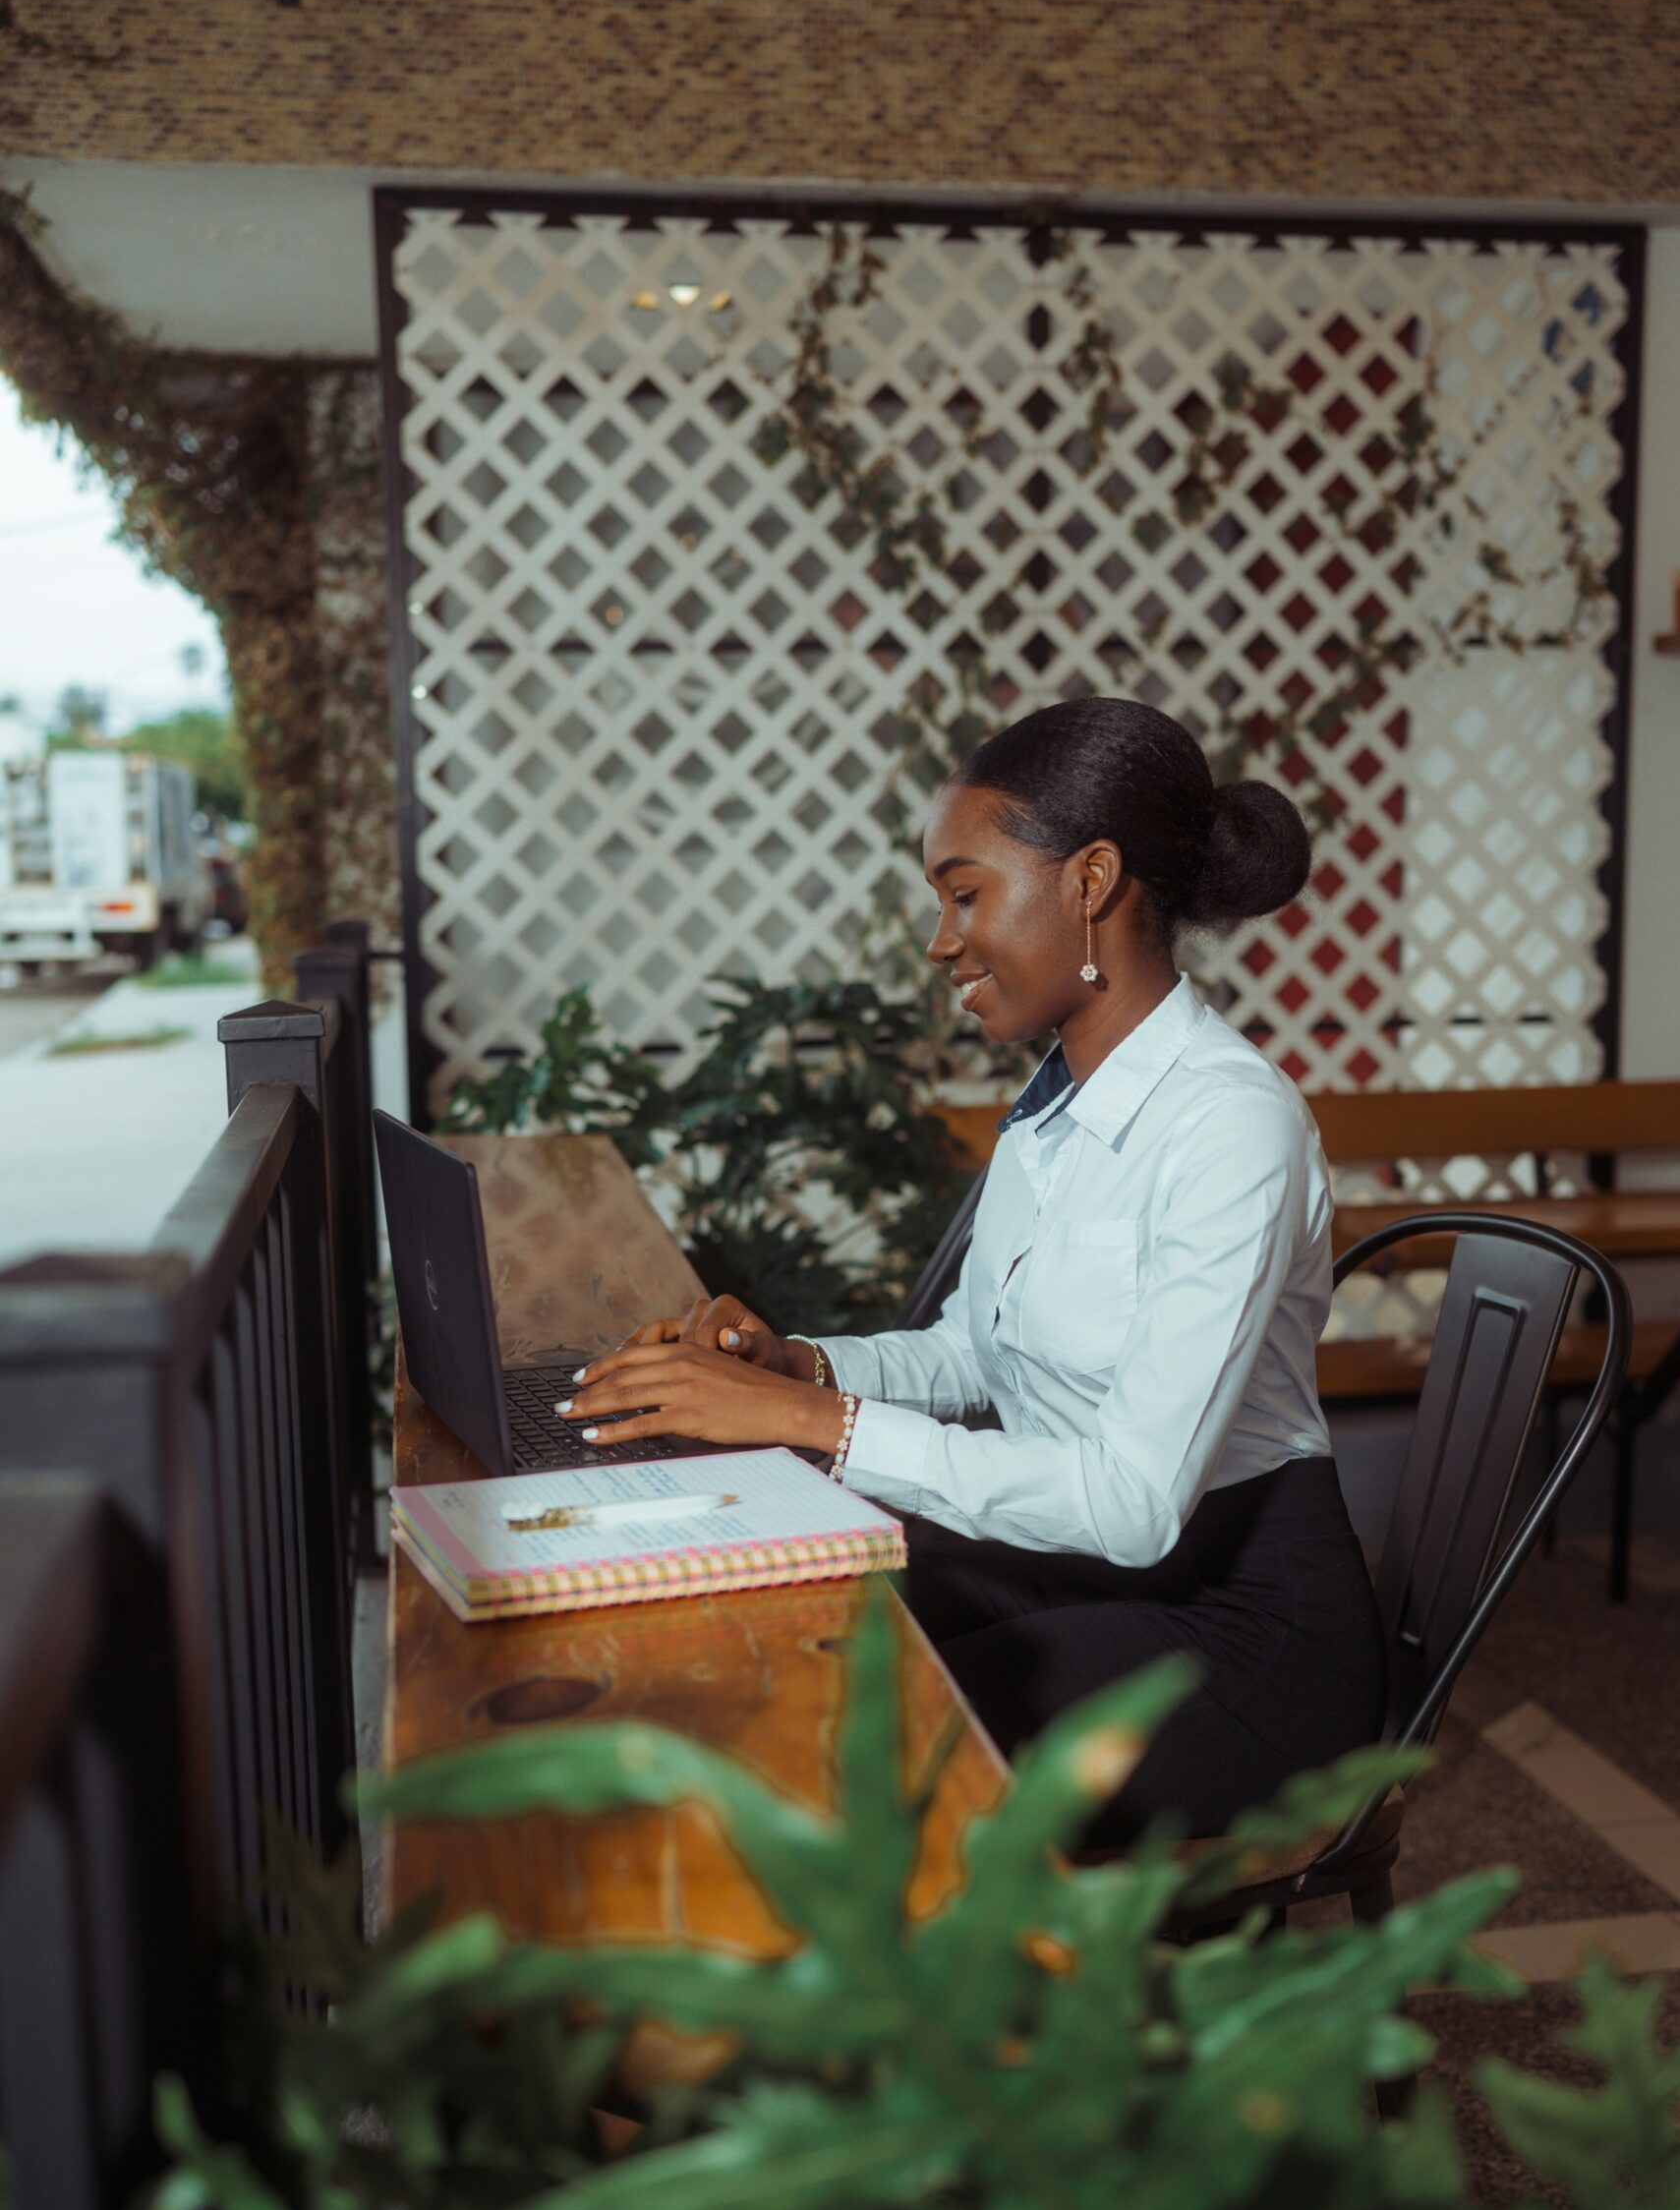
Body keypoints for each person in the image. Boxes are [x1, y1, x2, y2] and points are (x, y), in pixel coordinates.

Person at [559, 697, 1386, 1840]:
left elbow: (1134, 1503)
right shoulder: (1054, 1102)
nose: (940, 941)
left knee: (867, 1741)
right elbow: (968, 1350)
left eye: (963, 894)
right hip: (1085, 1567)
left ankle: (901, 1998)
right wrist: (795, 1363)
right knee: (804, 1628)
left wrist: (815, 1419)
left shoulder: (1227, 1126)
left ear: (1089, 881)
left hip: (1236, 1628)